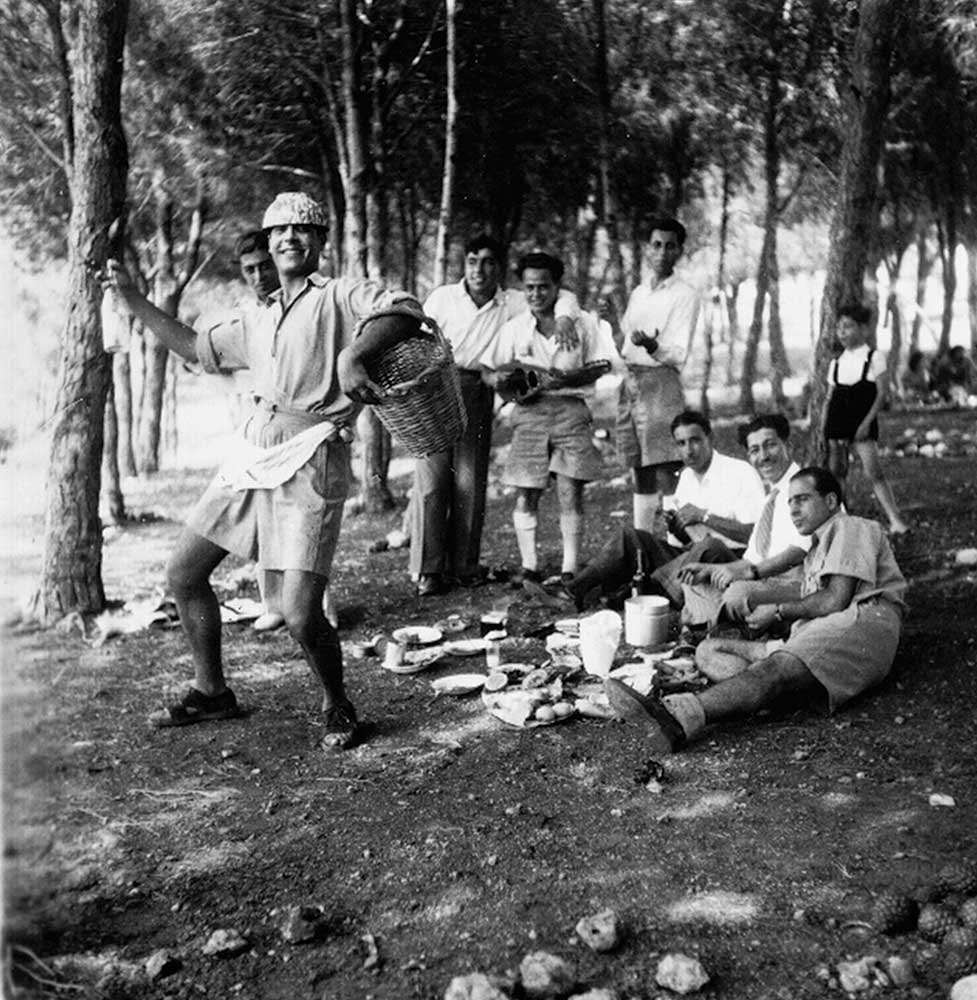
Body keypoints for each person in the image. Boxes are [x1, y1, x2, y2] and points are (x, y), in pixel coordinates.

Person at [103, 191, 425, 749]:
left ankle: (338, 705)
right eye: (279, 231)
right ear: (270, 242)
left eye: (302, 229)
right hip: (253, 451)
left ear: (320, 242)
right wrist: (132, 298)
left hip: (312, 456)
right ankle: (212, 692)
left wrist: (353, 355)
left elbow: (405, 309)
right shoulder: (258, 316)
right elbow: (192, 344)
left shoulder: (342, 295)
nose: (289, 239)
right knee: (183, 573)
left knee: (300, 615)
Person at [605, 467, 907, 753]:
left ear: (830, 501)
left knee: (773, 667)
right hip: (824, 632)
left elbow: (835, 600)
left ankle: (680, 715)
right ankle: (773, 694)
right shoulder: (816, 549)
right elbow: (814, 599)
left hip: (863, 621)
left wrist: (776, 612)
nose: (793, 510)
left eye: (802, 499)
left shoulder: (848, 525)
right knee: (710, 650)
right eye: (790, 503)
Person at [411, 235, 582, 597]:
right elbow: (414, 336)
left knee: (469, 479)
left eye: (488, 262)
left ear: (500, 269)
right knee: (432, 478)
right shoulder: (443, 298)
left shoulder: (513, 302)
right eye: (472, 260)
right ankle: (428, 570)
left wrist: (565, 318)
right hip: (437, 383)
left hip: (479, 385)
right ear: (464, 264)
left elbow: (563, 295)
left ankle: (464, 566)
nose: (479, 270)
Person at [541, 409, 764, 611]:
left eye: (695, 441)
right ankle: (573, 592)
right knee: (631, 537)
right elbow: (684, 540)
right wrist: (677, 526)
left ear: (710, 438)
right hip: (692, 557)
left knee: (710, 545)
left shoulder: (740, 473)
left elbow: (755, 535)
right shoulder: (686, 477)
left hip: (733, 561)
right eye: (681, 443)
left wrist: (704, 516)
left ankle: (634, 593)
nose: (689, 450)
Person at [479, 252, 612, 587]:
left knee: (570, 490)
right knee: (526, 490)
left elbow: (603, 364)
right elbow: (487, 368)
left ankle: (569, 568)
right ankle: (530, 566)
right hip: (529, 413)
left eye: (543, 286)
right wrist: (499, 382)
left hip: (571, 410)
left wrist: (569, 379)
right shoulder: (514, 328)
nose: (536, 294)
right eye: (530, 288)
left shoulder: (582, 323)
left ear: (557, 287)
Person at [676, 412, 810, 630]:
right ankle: (719, 625)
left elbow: (800, 550)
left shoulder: (806, 485)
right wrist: (709, 569)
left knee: (738, 593)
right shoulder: (772, 497)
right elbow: (751, 559)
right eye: (755, 450)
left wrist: (750, 574)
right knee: (696, 582)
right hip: (765, 581)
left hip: (799, 585)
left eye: (770, 445)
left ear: (789, 445)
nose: (763, 456)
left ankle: (714, 627)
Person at [616, 218, 700, 535]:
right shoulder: (639, 292)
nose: (662, 252)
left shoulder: (685, 295)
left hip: (661, 381)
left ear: (679, 251)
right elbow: (626, 338)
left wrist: (651, 344)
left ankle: (678, 544)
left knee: (666, 466)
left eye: (670, 246)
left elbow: (678, 352)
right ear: (647, 249)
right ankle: (643, 545)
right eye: (656, 245)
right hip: (632, 382)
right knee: (640, 467)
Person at [823, 303, 909, 535]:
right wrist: (827, 428)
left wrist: (865, 423)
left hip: (862, 420)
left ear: (863, 329)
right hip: (837, 420)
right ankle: (839, 520)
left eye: (848, 327)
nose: (842, 332)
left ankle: (895, 519)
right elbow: (830, 398)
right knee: (837, 471)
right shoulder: (836, 362)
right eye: (839, 328)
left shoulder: (874, 357)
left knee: (874, 472)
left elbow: (881, 394)